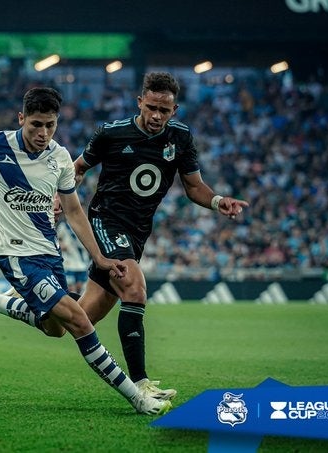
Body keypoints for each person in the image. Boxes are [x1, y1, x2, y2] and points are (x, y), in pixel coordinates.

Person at [0, 86, 171, 416]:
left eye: (50, 125)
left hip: (49, 254)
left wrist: (99, 257)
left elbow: (72, 211)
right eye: (36, 125)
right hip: (14, 254)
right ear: (21, 118)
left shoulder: (59, 158)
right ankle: (137, 396)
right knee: (80, 321)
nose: (43, 133)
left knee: (55, 328)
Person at [73, 71, 249, 399]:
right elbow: (79, 168)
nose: (156, 116)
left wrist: (217, 201)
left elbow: (194, 187)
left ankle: (7, 301)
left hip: (138, 233)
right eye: (151, 107)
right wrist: (61, 195)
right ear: (140, 101)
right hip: (106, 222)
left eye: (163, 111)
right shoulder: (111, 133)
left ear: (174, 110)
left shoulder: (180, 138)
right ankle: (141, 385)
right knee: (135, 288)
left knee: (79, 316)